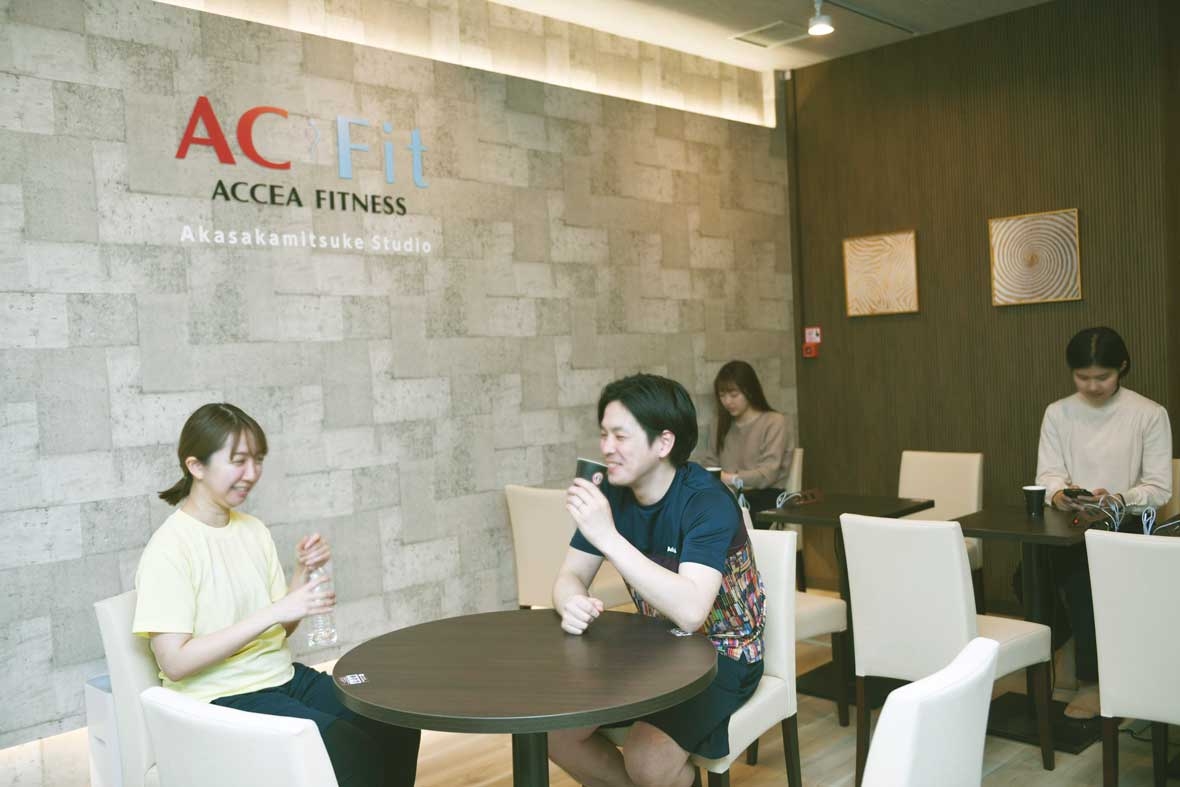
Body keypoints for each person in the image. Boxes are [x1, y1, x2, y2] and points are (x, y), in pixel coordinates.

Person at [133, 403, 420, 787]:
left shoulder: (252, 530)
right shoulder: (169, 549)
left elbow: (279, 629)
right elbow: (175, 662)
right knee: (346, 748)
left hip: (280, 677)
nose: (252, 474)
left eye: (258, 460)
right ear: (196, 466)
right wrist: (274, 611)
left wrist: (302, 573)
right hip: (220, 699)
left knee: (393, 714)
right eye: (238, 461)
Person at [549, 374, 766, 787]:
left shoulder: (706, 500)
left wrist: (608, 537)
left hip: (725, 653)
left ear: (663, 443)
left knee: (647, 759)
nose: (606, 448)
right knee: (555, 730)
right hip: (654, 647)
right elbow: (570, 575)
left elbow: (691, 612)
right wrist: (570, 600)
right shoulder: (614, 493)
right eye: (603, 434)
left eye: (621, 436)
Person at [1036, 327, 1172, 719]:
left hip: (1126, 526)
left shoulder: (1148, 414)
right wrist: (1059, 494)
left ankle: (1091, 681)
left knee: (1083, 579)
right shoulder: (1058, 413)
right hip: (1072, 521)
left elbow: (1159, 488)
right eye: (1083, 377)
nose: (1092, 386)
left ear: (1122, 368)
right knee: (1026, 574)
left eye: (1102, 377)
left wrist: (1119, 499)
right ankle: (1068, 643)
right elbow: (1048, 475)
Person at [698, 360, 794, 517]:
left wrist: (730, 478)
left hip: (765, 498)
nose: (727, 401)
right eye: (722, 395)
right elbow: (710, 464)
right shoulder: (719, 424)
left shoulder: (774, 421)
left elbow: (768, 474)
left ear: (749, 391)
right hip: (728, 496)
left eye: (734, 395)